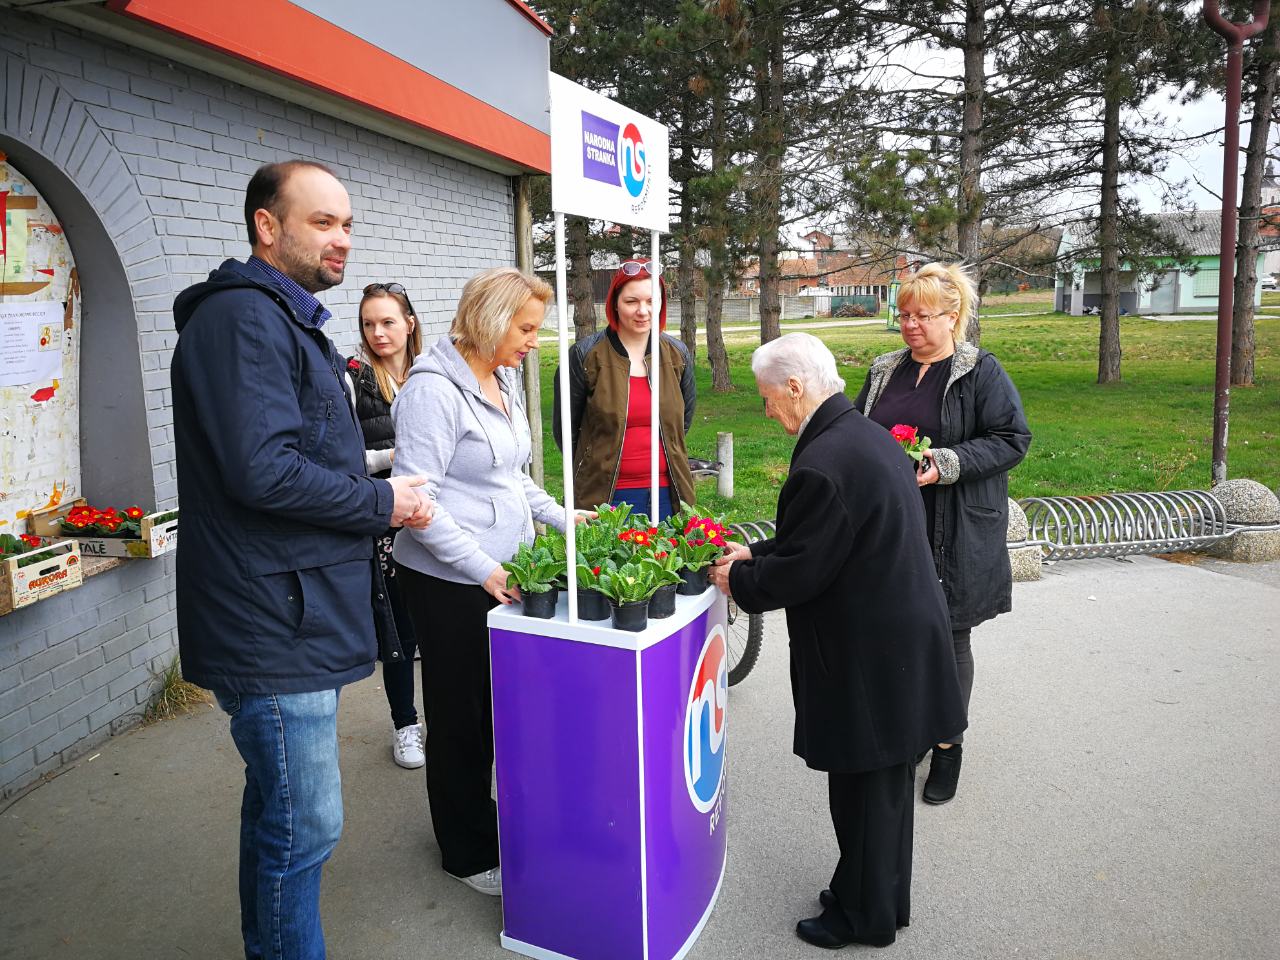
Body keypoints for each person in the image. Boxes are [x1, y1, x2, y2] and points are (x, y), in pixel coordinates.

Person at [171, 159, 433, 960]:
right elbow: (265, 472)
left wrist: (370, 475)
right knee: (305, 824)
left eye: (347, 224)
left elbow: (305, 453)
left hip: (290, 608)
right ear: (267, 226)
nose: (342, 239)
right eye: (323, 222)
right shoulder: (245, 321)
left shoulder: (284, 320)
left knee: (279, 812)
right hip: (269, 620)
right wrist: (383, 503)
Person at [709, 333, 965, 950]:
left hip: (870, 655)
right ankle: (874, 894)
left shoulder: (823, 461)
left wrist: (738, 575)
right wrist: (759, 551)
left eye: (767, 398)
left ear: (795, 388)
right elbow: (823, 538)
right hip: (896, 641)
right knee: (880, 793)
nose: (766, 410)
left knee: (865, 794)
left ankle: (865, 918)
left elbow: (804, 570)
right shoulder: (861, 435)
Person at [391, 266, 575, 897]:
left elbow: (510, 476)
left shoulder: (500, 380)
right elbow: (419, 504)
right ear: (492, 319)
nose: (532, 341)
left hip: (501, 575)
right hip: (450, 583)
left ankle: (486, 818)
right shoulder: (431, 392)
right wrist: (483, 569)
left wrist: (560, 515)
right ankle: (465, 851)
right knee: (460, 715)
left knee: (497, 709)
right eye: (525, 328)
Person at [855, 263, 1031, 804]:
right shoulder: (886, 368)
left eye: (923, 316)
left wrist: (947, 461)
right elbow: (860, 431)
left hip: (954, 526)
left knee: (951, 635)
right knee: (896, 631)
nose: (910, 325)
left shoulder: (981, 371)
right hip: (892, 527)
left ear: (953, 317)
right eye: (903, 314)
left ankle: (948, 746)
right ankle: (908, 734)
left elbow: (1011, 439)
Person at [345, 282, 425, 769]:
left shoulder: (432, 373)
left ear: (409, 323)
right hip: (386, 521)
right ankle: (406, 725)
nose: (378, 333)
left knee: (441, 624)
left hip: (435, 517)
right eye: (369, 324)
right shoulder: (353, 379)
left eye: (388, 321)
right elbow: (342, 457)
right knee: (399, 631)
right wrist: (391, 457)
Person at [552, 258, 696, 522]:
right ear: (615, 304)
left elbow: (681, 423)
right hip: (606, 498)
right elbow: (566, 431)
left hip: (668, 496)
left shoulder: (678, 355)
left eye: (652, 301)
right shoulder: (585, 355)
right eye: (632, 301)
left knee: (667, 563)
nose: (643, 311)